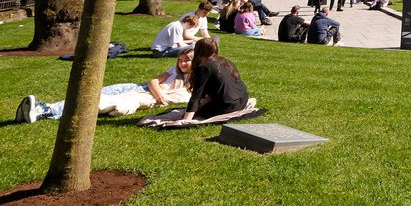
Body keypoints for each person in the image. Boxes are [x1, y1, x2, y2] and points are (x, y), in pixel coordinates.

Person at [16, 48, 194, 123]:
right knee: (93, 95)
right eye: (181, 60)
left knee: (94, 99)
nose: (182, 63)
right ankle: (46, 111)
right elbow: (153, 81)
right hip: (138, 88)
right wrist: (159, 95)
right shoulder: (174, 71)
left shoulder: (192, 81)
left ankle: (44, 111)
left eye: (187, 60)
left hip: (138, 93)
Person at [182, 38, 249, 121]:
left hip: (229, 105)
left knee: (195, 114)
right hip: (243, 99)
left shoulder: (204, 67)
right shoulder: (226, 61)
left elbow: (196, 96)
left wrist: (185, 119)